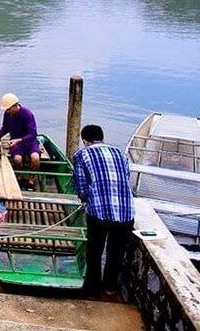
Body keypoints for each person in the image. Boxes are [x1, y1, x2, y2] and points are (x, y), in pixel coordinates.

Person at [72, 124, 135, 295]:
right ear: (103, 138)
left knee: (94, 251)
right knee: (116, 252)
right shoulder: (120, 153)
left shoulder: (81, 155)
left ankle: (92, 288)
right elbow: (126, 178)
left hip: (99, 212)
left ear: (85, 141)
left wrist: (86, 200)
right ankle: (110, 288)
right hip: (126, 212)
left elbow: (82, 187)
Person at [0, 93, 41, 189]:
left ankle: (32, 178)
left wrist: (19, 140)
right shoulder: (7, 114)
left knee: (35, 158)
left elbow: (33, 134)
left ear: (15, 106)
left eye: (9, 109)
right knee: (17, 159)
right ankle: (20, 175)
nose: (8, 111)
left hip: (29, 141)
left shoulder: (27, 114)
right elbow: (5, 127)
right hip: (16, 143)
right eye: (7, 110)